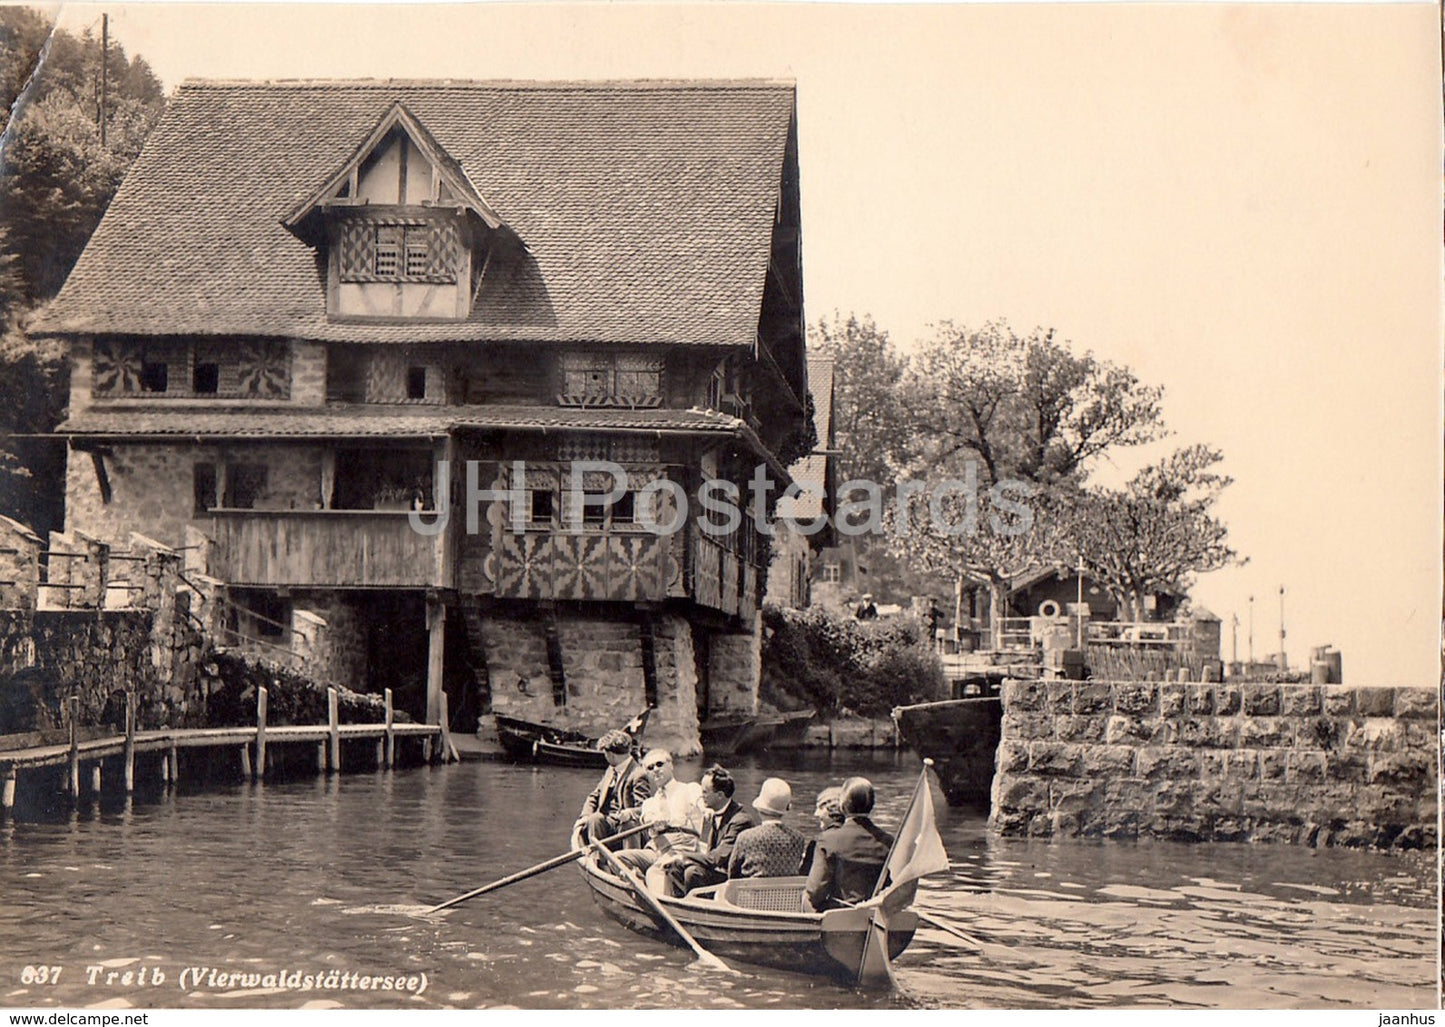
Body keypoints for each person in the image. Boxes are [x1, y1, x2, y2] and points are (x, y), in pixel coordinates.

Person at [612, 748, 706, 892]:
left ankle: (659, 898)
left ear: (671, 765)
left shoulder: (690, 789)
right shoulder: (649, 803)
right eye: (650, 768)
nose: (655, 769)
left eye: (659, 764)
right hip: (655, 849)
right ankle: (642, 887)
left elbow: (704, 805)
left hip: (682, 846)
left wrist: (708, 811)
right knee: (617, 859)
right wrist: (656, 824)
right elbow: (648, 819)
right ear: (648, 773)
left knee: (655, 872)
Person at [657, 765, 756, 896]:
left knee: (692, 872)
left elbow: (716, 858)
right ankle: (680, 904)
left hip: (732, 880)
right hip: (717, 871)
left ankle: (698, 908)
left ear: (720, 795)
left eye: (705, 792)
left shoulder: (740, 821)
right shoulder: (718, 811)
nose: (701, 796)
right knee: (675, 868)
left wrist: (682, 856)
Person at [802, 776, 894, 912]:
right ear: (871, 806)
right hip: (874, 917)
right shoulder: (888, 841)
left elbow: (815, 891)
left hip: (836, 917)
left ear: (843, 806)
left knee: (805, 896)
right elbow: (891, 887)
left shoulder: (828, 840)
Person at [572, 728, 652, 846]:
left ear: (610, 754)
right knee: (595, 819)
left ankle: (628, 860)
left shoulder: (638, 774)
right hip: (608, 823)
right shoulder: (611, 770)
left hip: (628, 828)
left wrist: (629, 813)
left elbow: (644, 808)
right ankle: (598, 858)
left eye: (604, 753)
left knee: (628, 824)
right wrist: (584, 816)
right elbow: (594, 796)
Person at [727, 778, 807, 879]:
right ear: (787, 808)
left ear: (759, 808)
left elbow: (732, 874)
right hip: (785, 894)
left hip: (749, 894)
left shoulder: (746, 837)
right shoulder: (799, 838)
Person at [799, 785, 845, 875]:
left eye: (820, 808)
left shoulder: (818, 842)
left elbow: (805, 876)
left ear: (833, 809)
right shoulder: (856, 837)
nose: (816, 814)